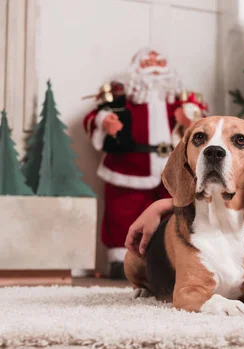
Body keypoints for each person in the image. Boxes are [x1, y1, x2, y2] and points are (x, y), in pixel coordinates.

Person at [83, 48, 207, 277]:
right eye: (148, 61)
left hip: (172, 168)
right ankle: (121, 260)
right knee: (123, 211)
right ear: (135, 68)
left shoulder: (179, 101)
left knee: (174, 213)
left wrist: (188, 120)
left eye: (160, 61)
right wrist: (105, 121)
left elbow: (206, 127)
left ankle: (170, 258)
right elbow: (93, 117)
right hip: (129, 166)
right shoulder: (123, 98)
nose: (155, 66)